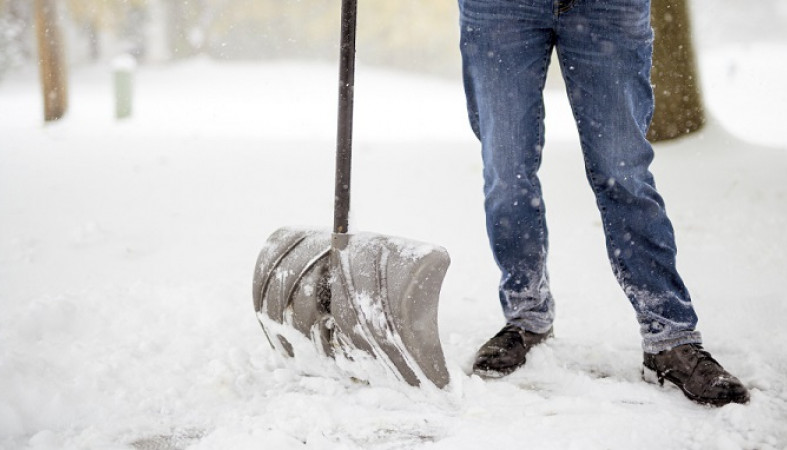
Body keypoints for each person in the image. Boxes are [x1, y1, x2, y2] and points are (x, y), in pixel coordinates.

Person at [458, 0, 749, 406]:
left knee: (623, 173)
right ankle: (526, 315)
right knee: (507, 171)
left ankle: (669, 337)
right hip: (503, 9)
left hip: (606, 8)